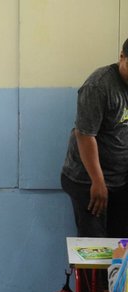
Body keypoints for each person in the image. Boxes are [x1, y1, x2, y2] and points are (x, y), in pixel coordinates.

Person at [61, 38, 128, 238]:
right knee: (95, 248)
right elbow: (84, 135)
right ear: (121, 57)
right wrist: (98, 181)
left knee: (121, 246)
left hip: (120, 179)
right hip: (87, 180)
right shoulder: (99, 86)